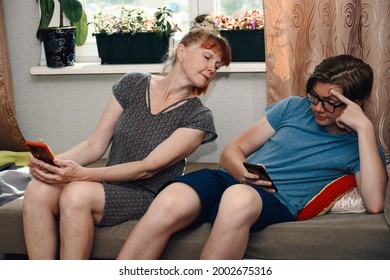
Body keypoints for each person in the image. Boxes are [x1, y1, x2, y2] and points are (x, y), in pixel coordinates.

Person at [116, 54, 388, 260]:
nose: (317, 107)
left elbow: (375, 203)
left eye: (330, 102)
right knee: (172, 197)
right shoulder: (293, 107)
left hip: (273, 201)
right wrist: (240, 173)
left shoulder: (360, 144)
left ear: (358, 102)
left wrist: (364, 126)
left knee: (239, 197)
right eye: (314, 97)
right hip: (230, 179)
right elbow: (232, 150)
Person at [22, 26, 232, 260]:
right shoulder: (132, 83)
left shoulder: (199, 117)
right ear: (181, 51)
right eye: (207, 57)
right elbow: (94, 144)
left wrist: (78, 175)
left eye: (218, 65)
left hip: (148, 193)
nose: (212, 67)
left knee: (76, 194)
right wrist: (53, 164)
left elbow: (147, 168)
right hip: (108, 184)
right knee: (38, 190)